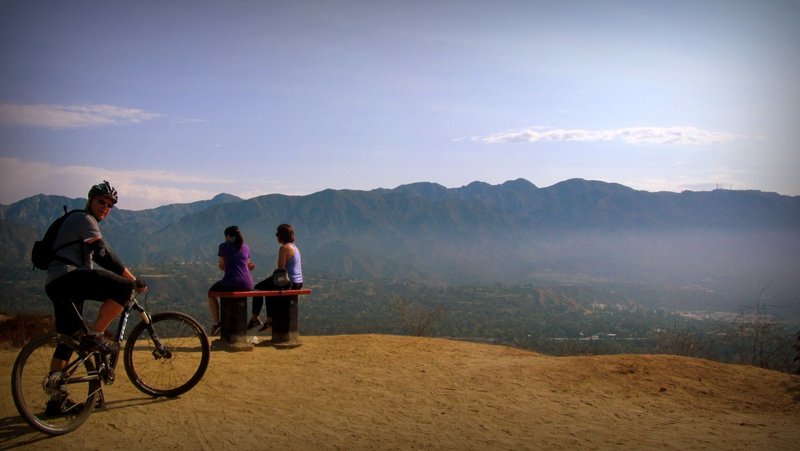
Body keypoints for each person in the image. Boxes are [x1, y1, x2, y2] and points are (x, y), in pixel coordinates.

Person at [44, 181, 147, 414]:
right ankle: (95, 335)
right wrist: (132, 279)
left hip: (57, 283)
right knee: (123, 289)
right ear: (90, 200)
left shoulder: (80, 220)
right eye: (101, 202)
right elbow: (103, 254)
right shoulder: (84, 219)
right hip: (69, 278)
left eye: (110, 205)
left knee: (66, 342)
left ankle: (55, 400)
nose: (105, 208)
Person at [248, 223, 303, 331]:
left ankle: (256, 318)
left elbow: (280, 269)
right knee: (268, 286)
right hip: (298, 282)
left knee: (259, 287)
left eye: (277, 234)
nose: (276, 236)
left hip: (289, 282)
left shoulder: (284, 248)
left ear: (281, 236)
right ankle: (268, 319)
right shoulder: (295, 247)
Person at [207, 225, 256, 335]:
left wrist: (227, 268)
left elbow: (222, 265)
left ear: (228, 236)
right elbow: (248, 265)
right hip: (248, 283)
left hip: (231, 282)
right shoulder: (246, 247)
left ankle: (216, 322)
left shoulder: (223, 246)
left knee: (211, 293)